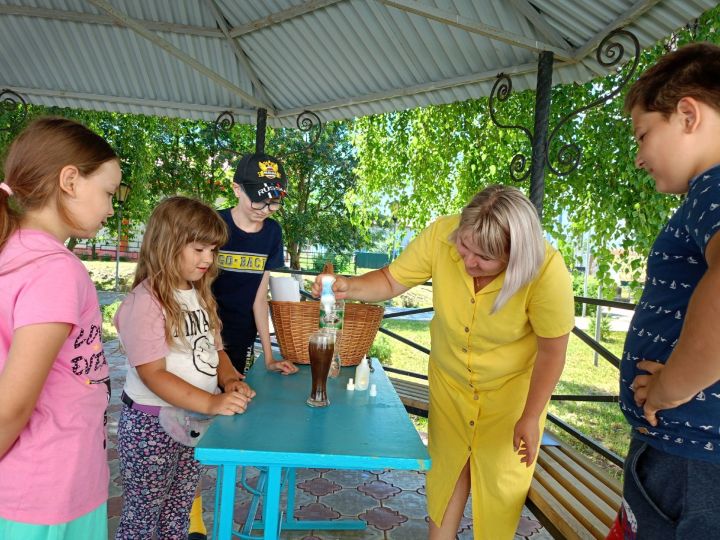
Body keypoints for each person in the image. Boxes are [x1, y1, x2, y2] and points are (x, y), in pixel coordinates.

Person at [312, 185, 574, 539]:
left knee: (499, 494)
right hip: (450, 385)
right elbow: (391, 279)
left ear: (515, 256)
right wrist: (348, 285)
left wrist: (530, 415)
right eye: (464, 246)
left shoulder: (546, 270)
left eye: (483, 257)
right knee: (445, 478)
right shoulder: (441, 234)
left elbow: (552, 350)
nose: (468, 262)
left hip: (511, 399)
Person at [608, 42, 720, 540]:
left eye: (643, 135)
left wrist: (672, 385)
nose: (638, 158)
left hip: (690, 458)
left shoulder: (714, 188)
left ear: (688, 115)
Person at [0, 117, 121, 539]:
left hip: (36, 487)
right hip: (47, 492)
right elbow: (12, 407)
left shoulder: (15, 251)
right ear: (69, 180)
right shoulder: (54, 270)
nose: (109, 208)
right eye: (107, 192)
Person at [114, 196, 255, 540]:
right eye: (199, 249)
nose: (208, 259)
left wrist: (230, 379)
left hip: (190, 422)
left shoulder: (200, 294)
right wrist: (211, 403)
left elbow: (216, 350)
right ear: (167, 246)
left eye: (213, 251)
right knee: (143, 517)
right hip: (151, 425)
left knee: (178, 511)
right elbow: (153, 374)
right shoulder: (146, 302)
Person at [186, 153, 299, 540]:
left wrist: (268, 356)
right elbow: (195, 286)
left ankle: (217, 502)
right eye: (259, 199)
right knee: (192, 424)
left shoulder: (272, 233)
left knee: (224, 420)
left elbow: (259, 295)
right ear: (235, 189)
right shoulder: (213, 224)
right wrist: (209, 338)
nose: (266, 208)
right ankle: (193, 519)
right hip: (198, 336)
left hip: (237, 340)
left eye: (274, 200)